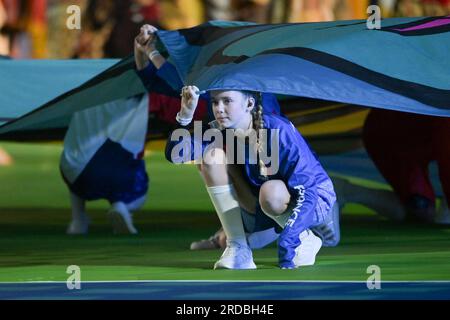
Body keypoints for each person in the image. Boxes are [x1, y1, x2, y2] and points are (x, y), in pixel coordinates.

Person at [165, 85, 339, 270]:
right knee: (211, 158)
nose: (219, 108)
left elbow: (308, 191)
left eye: (227, 101)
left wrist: (291, 237)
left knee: (271, 192)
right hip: (262, 204)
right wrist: (185, 116)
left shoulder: (279, 129)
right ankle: (238, 248)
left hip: (311, 202)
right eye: (215, 102)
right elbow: (176, 155)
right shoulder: (217, 128)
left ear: (249, 103)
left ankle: (306, 237)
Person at [61, 94, 150, 235]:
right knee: (139, 193)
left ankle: (78, 220)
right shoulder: (144, 83)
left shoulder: (85, 82)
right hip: (118, 172)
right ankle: (122, 206)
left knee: (77, 153)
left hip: (73, 171)